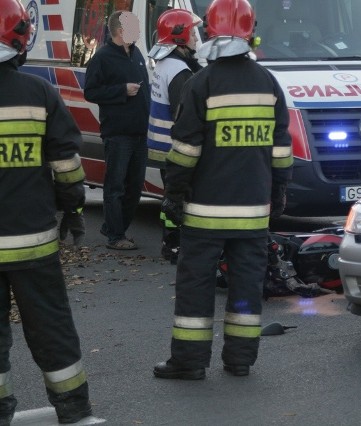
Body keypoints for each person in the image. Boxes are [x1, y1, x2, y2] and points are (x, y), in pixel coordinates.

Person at [153, 0, 292, 380]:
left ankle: (189, 362)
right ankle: (241, 360)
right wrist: (278, 192)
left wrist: (174, 195)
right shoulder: (268, 83)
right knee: (246, 287)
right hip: (253, 212)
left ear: (211, 31)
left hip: (205, 213)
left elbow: (184, 151)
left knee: (195, 288)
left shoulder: (201, 84)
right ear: (251, 32)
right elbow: (281, 149)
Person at [0, 0, 92, 423]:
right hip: (32, 242)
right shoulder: (40, 93)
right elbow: (67, 167)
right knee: (50, 325)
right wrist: (71, 209)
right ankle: (73, 409)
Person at [84, 10, 150, 250]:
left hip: (140, 133)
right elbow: (90, 91)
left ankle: (113, 226)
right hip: (118, 133)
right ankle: (116, 236)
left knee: (134, 187)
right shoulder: (102, 57)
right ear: (121, 31)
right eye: (134, 27)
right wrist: (121, 90)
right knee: (116, 187)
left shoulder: (136, 53)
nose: (139, 32)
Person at [147, 8, 203, 264]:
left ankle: (169, 244)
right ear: (180, 36)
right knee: (179, 200)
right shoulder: (181, 72)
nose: (196, 37)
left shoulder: (165, 63)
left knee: (169, 199)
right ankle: (175, 246)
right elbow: (184, 116)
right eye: (192, 31)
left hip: (161, 146)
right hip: (175, 148)